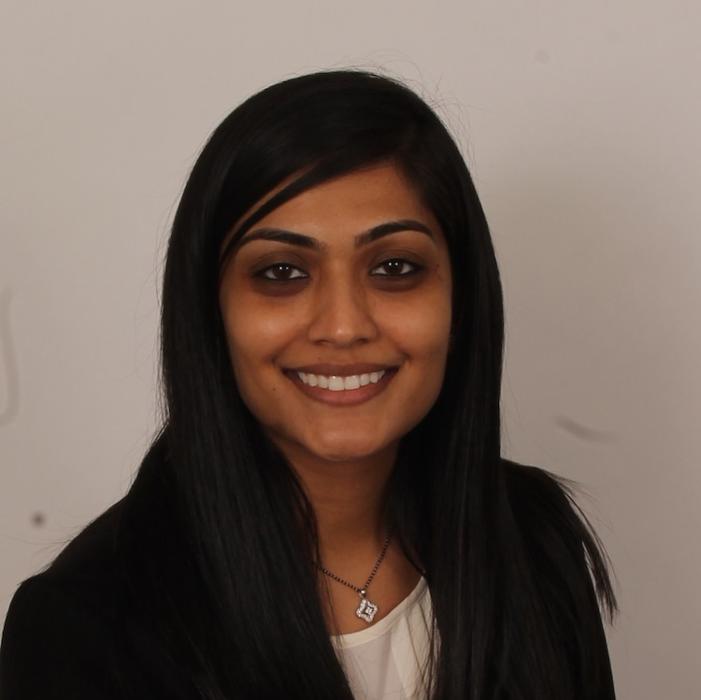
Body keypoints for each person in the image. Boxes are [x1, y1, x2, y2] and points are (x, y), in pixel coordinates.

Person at [0, 69, 618, 699]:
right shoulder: (81, 628)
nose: (344, 326)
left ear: (460, 301)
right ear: (211, 313)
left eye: (395, 267)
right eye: (282, 272)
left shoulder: (533, 540)